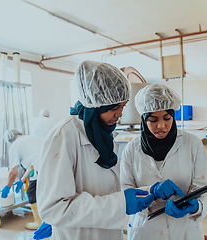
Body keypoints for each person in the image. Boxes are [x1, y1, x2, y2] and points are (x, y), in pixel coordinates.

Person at [35, 60, 154, 240]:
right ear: (96, 104)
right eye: (115, 108)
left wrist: (146, 191)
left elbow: (105, 185)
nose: (120, 114)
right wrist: (120, 204)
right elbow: (55, 207)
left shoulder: (103, 135)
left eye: (123, 106)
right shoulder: (64, 136)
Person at [120, 84, 207, 240]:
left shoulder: (192, 144)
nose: (161, 126)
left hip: (184, 231)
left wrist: (196, 206)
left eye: (167, 118)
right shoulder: (131, 150)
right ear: (143, 119)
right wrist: (151, 192)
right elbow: (125, 193)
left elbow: (206, 191)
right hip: (145, 231)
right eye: (153, 120)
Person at [1, 129, 44, 230]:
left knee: (32, 192)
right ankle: (45, 220)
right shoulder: (29, 139)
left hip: (41, 167)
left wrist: (7, 186)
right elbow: (31, 165)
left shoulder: (15, 146)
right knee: (42, 192)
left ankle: (39, 221)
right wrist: (22, 180)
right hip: (49, 164)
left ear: (9, 141)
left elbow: (13, 173)